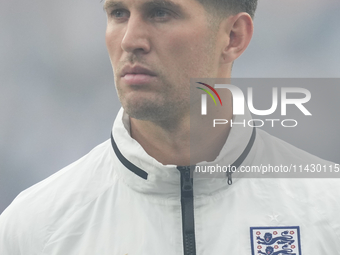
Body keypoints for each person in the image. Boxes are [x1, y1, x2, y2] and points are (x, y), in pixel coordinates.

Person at [1, 0, 339, 254]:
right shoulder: (33, 228)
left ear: (234, 37)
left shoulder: (328, 211)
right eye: (118, 13)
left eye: (160, 13)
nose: (130, 40)